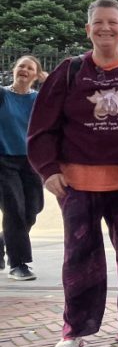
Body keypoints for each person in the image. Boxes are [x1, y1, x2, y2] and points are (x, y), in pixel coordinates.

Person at [27, 0, 118, 347]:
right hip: (78, 185)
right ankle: (75, 328)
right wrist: (48, 170)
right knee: (80, 259)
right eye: (99, 22)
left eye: (113, 22)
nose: (106, 28)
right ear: (88, 29)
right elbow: (41, 127)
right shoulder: (70, 71)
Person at [1, 56, 46, 280]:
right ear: (14, 69)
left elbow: (64, 108)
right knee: (15, 210)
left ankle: (2, 241)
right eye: (21, 66)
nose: (24, 70)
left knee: (33, 210)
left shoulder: (39, 99)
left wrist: (49, 84)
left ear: (36, 75)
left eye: (30, 68)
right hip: (4, 161)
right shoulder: (2, 95)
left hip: (31, 161)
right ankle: (18, 264)